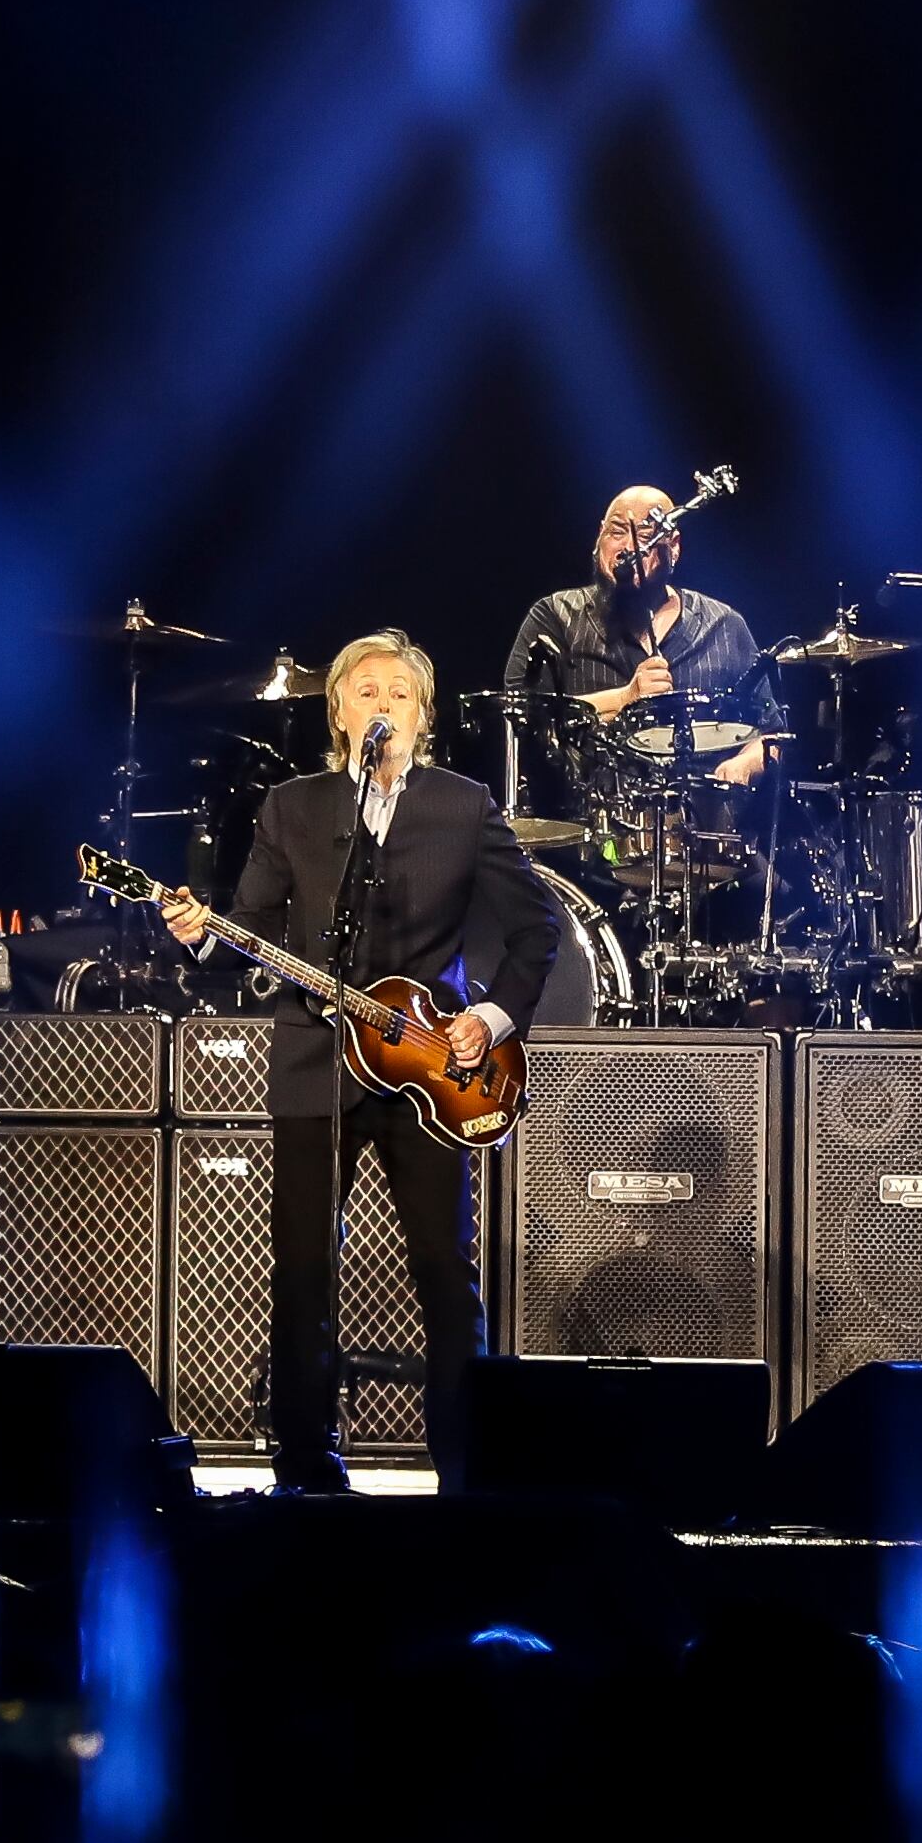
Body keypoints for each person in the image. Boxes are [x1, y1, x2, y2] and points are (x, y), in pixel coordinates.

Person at [162, 630, 553, 1492]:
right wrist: (201, 936)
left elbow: (537, 929)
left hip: (432, 1070)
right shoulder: (293, 807)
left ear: (424, 716)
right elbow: (251, 934)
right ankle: (306, 1464)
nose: (383, 705)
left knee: (444, 1273)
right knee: (303, 1265)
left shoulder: (462, 804)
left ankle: (464, 1466)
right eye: (366, 691)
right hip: (313, 1064)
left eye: (400, 694)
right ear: (338, 712)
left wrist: (488, 1020)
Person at [503, 486, 779, 791]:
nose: (627, 547)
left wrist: (742, 765)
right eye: (616, 532)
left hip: (701, 826)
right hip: (585, 824)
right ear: (599, 538)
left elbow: (771, 735)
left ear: (674, 547)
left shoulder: (724, 626)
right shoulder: (556, 616)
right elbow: (518, 717)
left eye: (646, 537)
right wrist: (624, 698)